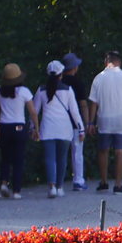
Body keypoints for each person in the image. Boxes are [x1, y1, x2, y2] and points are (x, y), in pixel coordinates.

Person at [88, 50, 122, 193]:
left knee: (103, 151)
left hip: (104, 119)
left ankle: (104, 182)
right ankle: (118, 184)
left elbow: (93, 103)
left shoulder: (99, 78)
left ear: (106, 62)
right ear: (119, 62)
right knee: (120, 151)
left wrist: (90, 123)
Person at [35, 60, 85, 198]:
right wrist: (81, 129)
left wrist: (33, 128)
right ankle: (60, 186)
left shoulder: (41, 90)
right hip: (64, 128)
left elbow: (35, 111)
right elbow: (75, 112)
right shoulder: (68, 90)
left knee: (50, 158)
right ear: (61, 74)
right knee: (62, 158)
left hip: (47, 128)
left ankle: (51, 186)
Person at [0, 63, 38, 199]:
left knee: (5, 157)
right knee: (18, 159)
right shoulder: (24, 91)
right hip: (19, 127)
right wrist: (36, 128)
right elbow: (33, 112)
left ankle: (4, 184)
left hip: (3, 127)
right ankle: (16, 190)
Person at [60, 51, 92, 191]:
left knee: (59, 153)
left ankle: (57, 181)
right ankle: (78, 180)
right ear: (74, 68)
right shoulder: (78, 83)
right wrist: (87, 122)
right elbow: (83, 105)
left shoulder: (58, 82)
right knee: (77, 152)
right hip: (75, 122)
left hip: (60, 122)